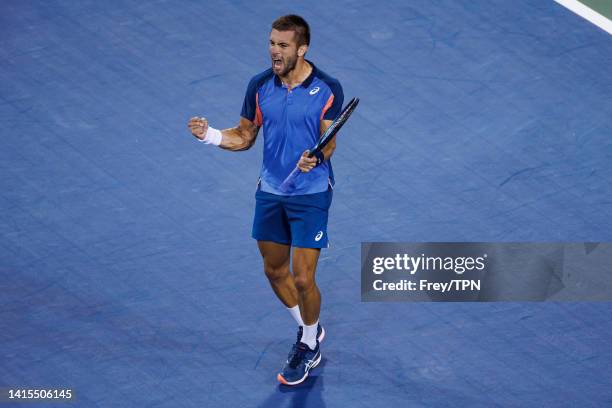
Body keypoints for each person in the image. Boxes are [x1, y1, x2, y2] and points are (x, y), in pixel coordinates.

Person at [187, 14, 344, 386]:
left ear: (302, 49)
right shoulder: (259, 86)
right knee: (275, 270)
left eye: (283, 45)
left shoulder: (328, 88)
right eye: (272, 43)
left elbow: (330, 140)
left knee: (304, 278)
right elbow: (244, 136)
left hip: (311, 194)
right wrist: (209, 135)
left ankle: (308, 344)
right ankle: (311, 328)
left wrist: (316, 157)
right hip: (272, 190)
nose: (275, 51)